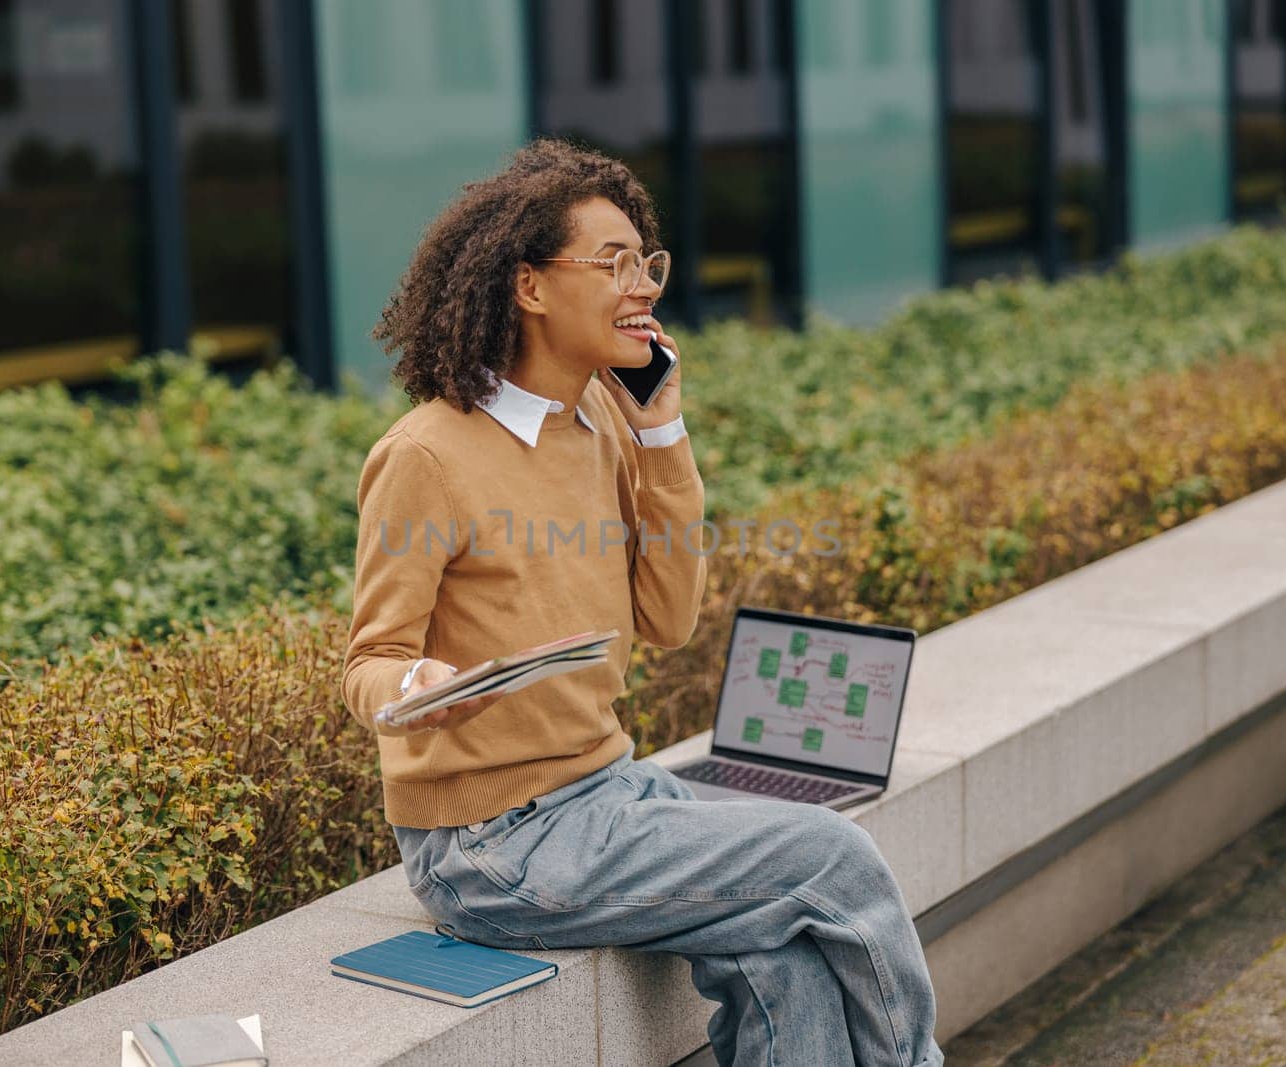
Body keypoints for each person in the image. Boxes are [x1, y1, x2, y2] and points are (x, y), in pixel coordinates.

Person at [340, 138, 943, 1066]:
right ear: (530, 286)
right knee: (834, 859)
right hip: (488, 844)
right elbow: (367, 661)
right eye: (613, 262)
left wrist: (662, 433)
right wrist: (421, 683)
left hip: (608, 790)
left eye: (646, 262)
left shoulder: (608, 425)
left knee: (784, 950)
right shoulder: (427, 455)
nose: (643, 286)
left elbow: (668, 617)